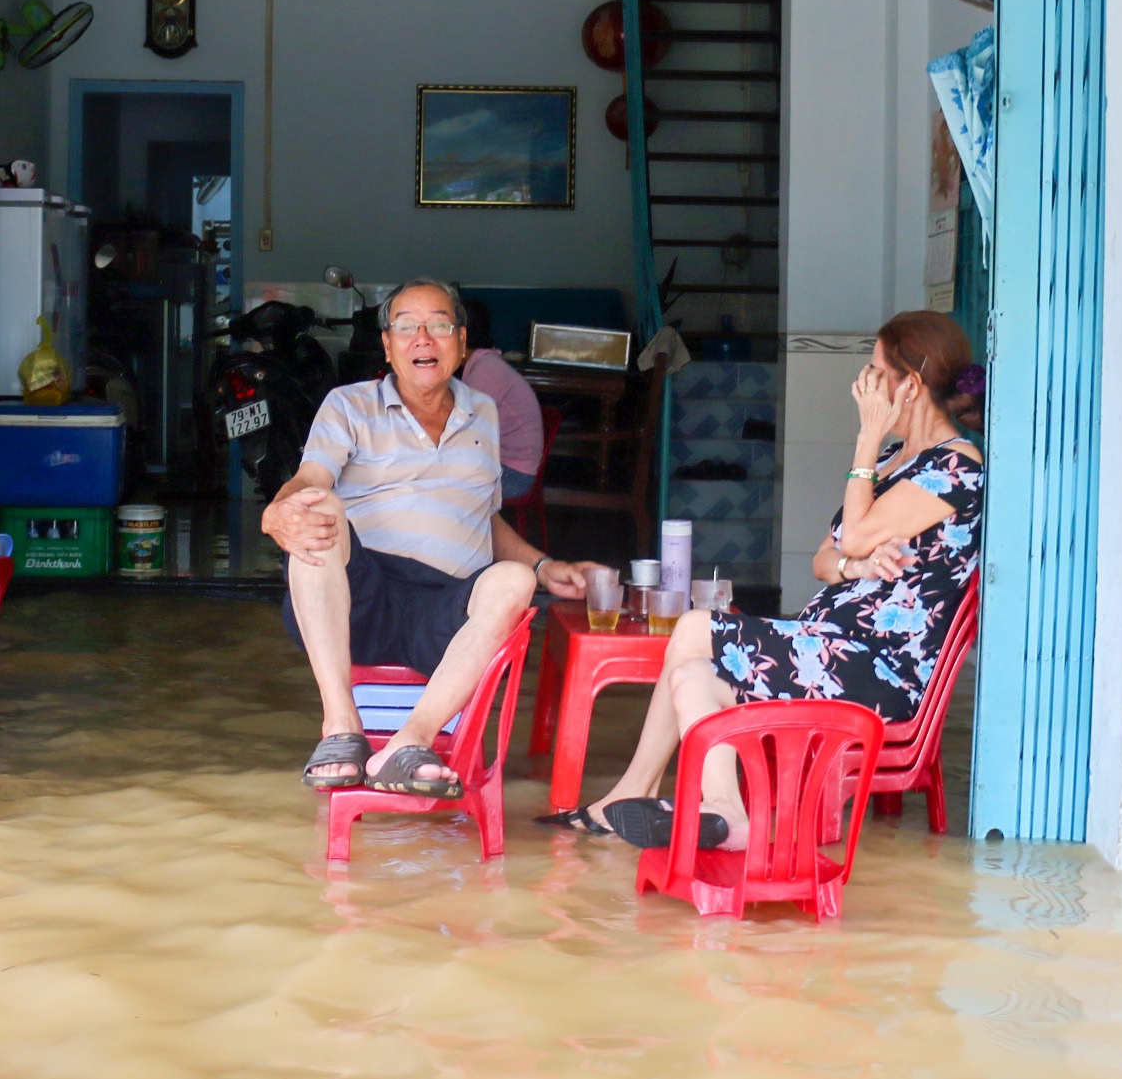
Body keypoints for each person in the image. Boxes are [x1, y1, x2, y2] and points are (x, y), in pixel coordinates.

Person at [545, 310, 983, 851]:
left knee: (695, 627)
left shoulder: (956, 467)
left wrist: (865, 441)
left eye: (873, 373)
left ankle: (649, 794)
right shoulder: (899, 461)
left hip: (876, 673)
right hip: (829, 648)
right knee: (692, 676)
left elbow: (851, 534)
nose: (862, 387)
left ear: (909, 387)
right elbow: (827, 558)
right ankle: (724, 813)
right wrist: (859, 567)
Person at [268, 278, 600, 798]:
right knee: (319, 507)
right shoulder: (349, 404)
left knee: (511, 580)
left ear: (461, 342)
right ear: (387, 345)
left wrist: (541, 567)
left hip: (444, 612)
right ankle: (341, 726)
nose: (423, 338)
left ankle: (410, 742)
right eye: (406, 327)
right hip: (361, 599)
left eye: (439, 325)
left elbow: (481, 518)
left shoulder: (482, 412)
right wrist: (280, 510)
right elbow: (311, 480)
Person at [456, 298, 547, 504]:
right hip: (504, 467)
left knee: (433, 484)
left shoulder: (484, 371)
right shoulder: (482, 364)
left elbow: (466, 435)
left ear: (461, 335)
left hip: (513, 475)